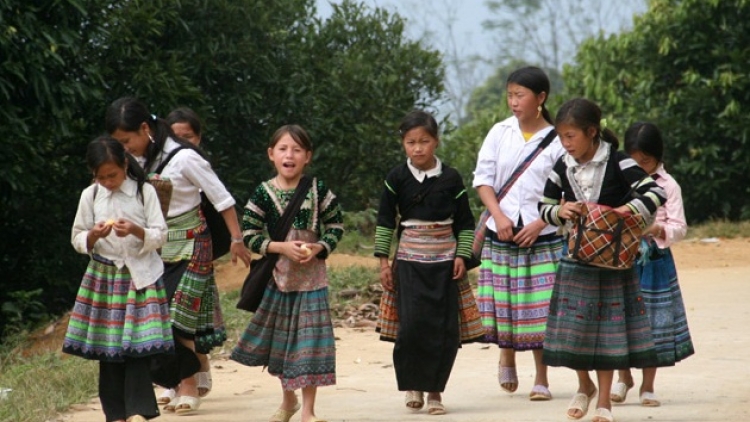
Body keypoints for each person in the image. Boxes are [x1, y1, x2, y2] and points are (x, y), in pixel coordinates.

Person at [106, 97, 252, 415]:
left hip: (192, 243)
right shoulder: (133, 161)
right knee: (157, 318)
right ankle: (176, 382)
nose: (124, 148)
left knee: (178, 317)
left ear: (145, 128)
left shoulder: (184, 158)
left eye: (127, 140)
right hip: (155, 245)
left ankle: (187, 383)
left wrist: (237, 239)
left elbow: (222, 199)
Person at [538, 98, 667, 422]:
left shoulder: (618, 162)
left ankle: (604, 404)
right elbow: (543, 205)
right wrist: (559, 211)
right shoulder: (561, 166)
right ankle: (584, 386)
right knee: (574, 330)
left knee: (608, 334)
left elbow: (655, 193)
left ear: (591, 132)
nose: (566, 144)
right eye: (562, 137)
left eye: (571, 136)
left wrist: (625, 211)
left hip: (612, 263)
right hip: (575, 258)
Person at [230, 124, 343, 422]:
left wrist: (319, 247)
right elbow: (250, 235)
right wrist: (281, 247)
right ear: (271, 154)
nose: (289, 155)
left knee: (309, 347)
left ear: (308, 156)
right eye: (283, 149)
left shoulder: (318, 190)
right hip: (277, 281)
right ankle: (288, 401)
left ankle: (308, 412)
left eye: (296, 149)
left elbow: (336, 225)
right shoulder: (263, 193)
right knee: (282, 346)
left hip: (313, 281)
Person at [375, 110, 481, 415]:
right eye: (411, 142)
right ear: (403, 144)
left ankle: (435, 393)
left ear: (436, 141)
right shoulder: (396, 177)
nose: (418, 148)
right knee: (410, 328)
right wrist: (384, 263)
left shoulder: (451, 178)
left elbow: (464, 221)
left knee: (443, 329)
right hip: (408, 263)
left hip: (446, 265)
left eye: (424, 141)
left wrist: (462, 256)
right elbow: (385, 220)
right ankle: (414, 387)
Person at [63, 136, 174, 422]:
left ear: (125, 164)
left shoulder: (144, 192)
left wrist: (137, 231)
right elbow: (77, 236)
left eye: (112, 175)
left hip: (141, 277)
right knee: (109, 349)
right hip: (104, 279)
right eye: (101, 177)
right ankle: (115, 415)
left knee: (139, 346)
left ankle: (138, 410)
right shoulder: (90, 196)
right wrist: (93, 236)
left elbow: (161, 234)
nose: (108, 181)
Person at [472, 66, 565, 401]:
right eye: (510, 94)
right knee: (505, 303)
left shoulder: (557, 140)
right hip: (503, 234)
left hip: (542, 237)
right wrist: (499, 215)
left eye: (520, 95)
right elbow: (483, 180)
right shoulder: (500, 132)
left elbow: (567, 192)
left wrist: (541, 222)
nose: (513, 101)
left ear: (541, 98)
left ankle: (542, 378)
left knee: (541, 309)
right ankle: (506, 354)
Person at [609, 122, 695, 407]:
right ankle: (623, 378)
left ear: (657, 157)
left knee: (652, 323)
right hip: (622, 257)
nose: (640, 168)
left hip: (655, 261)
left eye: (645, 162)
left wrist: (657, 230)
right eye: (634, 162)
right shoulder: (620, 181)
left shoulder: (668, 185)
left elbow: (679, 227)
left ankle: (648, 386)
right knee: (618, 319)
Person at [164, 106, 224, 400]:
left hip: (198, 245)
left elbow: (221, 202)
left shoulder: (196, 165)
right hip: (162, 246)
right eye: (176, 138)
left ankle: (195, 370)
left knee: (188, 313)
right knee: (167, 313)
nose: (183, 143)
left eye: (188, 137)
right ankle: (174, 380)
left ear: (199, 138)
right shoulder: (159, 166)